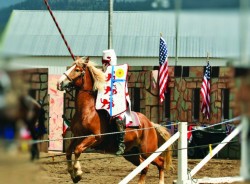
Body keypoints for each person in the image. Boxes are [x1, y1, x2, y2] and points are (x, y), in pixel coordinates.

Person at [101, 49, 132, 155]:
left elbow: (119, 90)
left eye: (106, 62)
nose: (105, 64)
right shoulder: (102, 73)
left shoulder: (119, 73)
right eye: (104, 62)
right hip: (105, 104)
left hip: (118, 102)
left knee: (118, 120)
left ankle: (121, 144)